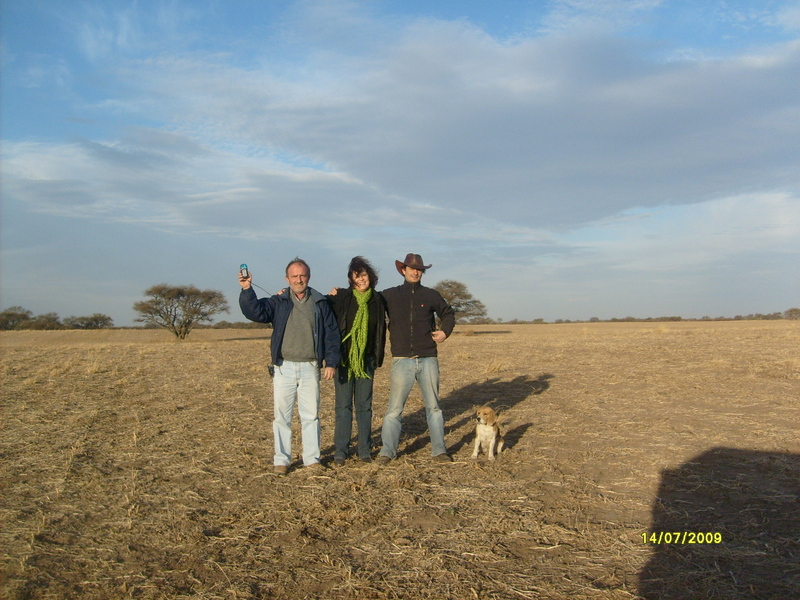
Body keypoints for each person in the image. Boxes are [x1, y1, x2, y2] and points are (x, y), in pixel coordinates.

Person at [238, 258, 340, 475]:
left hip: (310, 367)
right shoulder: (278, 301)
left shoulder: (320, 302)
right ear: (287, 279)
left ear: (309, 277)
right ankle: (281, 461)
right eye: (294, 276)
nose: (298, 280)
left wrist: (331, 362)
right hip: (283, 367)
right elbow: (255, 312)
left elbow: (332, 334)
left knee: (311, 416)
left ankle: (312, 459)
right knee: (282, 418)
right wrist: (247, 289)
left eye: (302, 275)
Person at [377, 253, 455, 464]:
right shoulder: (389, 295)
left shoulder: (431, 295)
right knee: (394, 410)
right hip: (401, 360)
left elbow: (447, 313)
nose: (415, 272)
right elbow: (367, 301)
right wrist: (338, 294)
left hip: (428, 358)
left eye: (419, 269)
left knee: (434, 408)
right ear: (403, 270)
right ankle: (387, 452)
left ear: (422, 272)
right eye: (411, 268)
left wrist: (444, 332)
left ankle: (439, 451)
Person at [327, 256, 387, 465]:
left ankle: (364, 450)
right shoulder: (341, 297)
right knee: (343, 407)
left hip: (367, 361)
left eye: (364, 275)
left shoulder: (377, 300)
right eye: (357, 276)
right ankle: (341, 451)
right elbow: (318, 307)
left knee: (364, 406)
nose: (361, 280)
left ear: (371, 276)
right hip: (344, 361)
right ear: (351, 279)